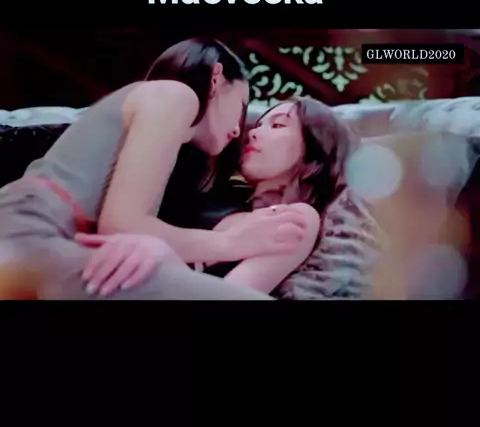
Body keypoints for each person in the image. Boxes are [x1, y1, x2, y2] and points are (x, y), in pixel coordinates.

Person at [0, 38, 310, 301]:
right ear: (216, 78)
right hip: (28, 233)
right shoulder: (176, 95)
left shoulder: (179, 159)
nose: (241, 129)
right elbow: (123, 227)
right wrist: (232, 243)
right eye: (242, 106)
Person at [77, 96, 360, 297]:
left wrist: (165, 257)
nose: (254, 133)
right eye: (258, 124)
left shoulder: (294, 218)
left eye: (277, 125)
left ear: (315, 153)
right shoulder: (218, 192)